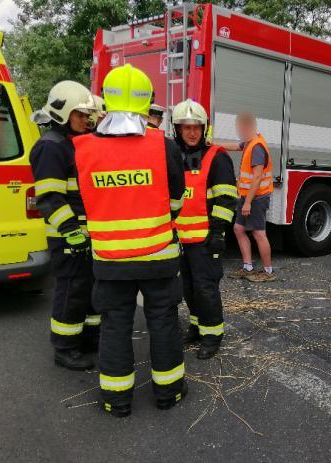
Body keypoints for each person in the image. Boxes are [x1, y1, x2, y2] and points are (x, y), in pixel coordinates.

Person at [73, 64, 187, 417]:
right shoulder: (162, 145)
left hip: (109, 260)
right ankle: (169, 393)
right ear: (146, 101)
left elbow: (82, 201)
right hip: (158, 255)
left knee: (115, 326)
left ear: (106, 100)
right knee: (163, 321)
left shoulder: (82, 148)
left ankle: (116, 400)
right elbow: (177, 200)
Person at [29, 81, 99, 371]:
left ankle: (89, 337)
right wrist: (71, 232)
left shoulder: (72, 143)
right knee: (71, 290)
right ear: (62, 113)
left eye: (86, 115)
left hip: (84, 234)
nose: (86, 119)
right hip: (66, 236)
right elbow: (49, 198)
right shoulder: (50, 146)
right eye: (79, 114)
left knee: (89, 289)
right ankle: (65, 347)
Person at [171, 99, 238, 359]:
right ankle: (197, 327)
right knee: (188, 288)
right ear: (177, 129)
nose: (191, 132)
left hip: (205, 239)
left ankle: (212, 335)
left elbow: (226, 197)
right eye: (186, 127)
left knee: (205, 288)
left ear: (204, 128)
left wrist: (218, 232)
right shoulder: (174, 156)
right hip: (180, 238)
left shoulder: (217, 157)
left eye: (196, 127)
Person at [218, 112, 275, 282]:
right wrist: (214, 145)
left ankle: (268, 271)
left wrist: (248, 202)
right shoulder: (249, 142)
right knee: (239, 229)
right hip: (247, 196)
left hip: (256, 198)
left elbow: (257, 178)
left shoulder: (257, 147)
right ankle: (248, 267)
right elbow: (236, 146)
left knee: (258, 234)